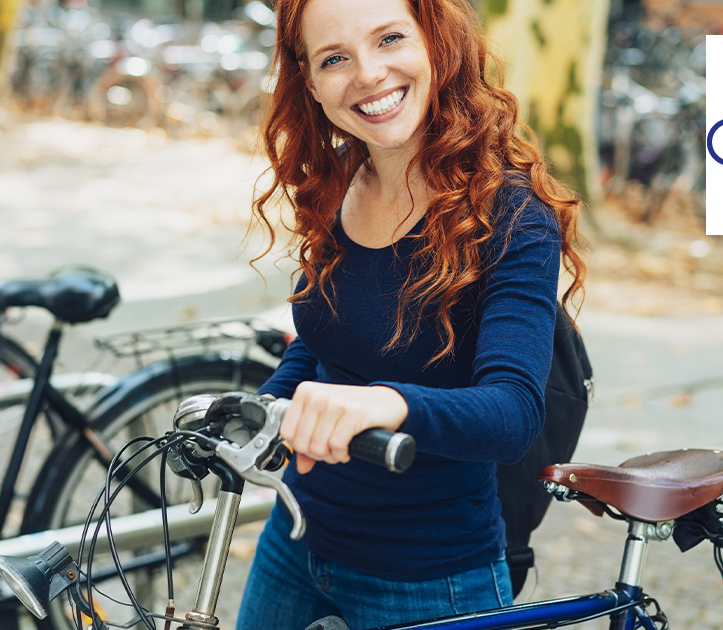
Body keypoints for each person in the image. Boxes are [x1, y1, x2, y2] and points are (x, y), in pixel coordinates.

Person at [238, 0, 586, 626]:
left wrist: (385, 402)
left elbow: (513, 412)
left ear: (435, 42)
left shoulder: (510, 215)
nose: (368, 73)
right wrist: (260, 410)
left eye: (390, 38)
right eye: (335, 58)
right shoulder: (339, 181)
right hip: (295, 540)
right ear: (311, 83)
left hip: (430, 576)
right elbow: (324, 342)